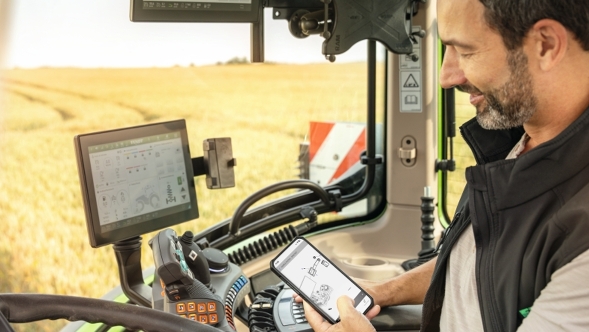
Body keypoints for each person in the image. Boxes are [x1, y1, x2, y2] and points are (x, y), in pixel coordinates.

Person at [297, 0, 589, 330]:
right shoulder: (518, 143)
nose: (446, 77)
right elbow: (478, 261)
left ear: (546, 45)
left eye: (464, 51)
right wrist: (380, 292)